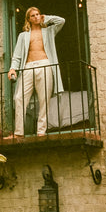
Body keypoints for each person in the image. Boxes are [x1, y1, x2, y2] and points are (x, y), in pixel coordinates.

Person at [8, 7, 65, 138]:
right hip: (28, 66)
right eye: (33, 15)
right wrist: (13, 68)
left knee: (44, 99)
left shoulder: (49, 31)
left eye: (38, 14)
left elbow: (61, 21)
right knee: (19, 98)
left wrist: (47, 18)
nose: (36, 17)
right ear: (28, 19)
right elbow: (16, 56)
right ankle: (19, 132)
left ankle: (41, 131)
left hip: (45, 64)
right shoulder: (23, 35)